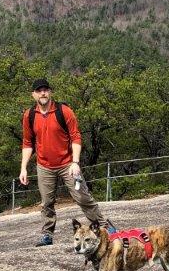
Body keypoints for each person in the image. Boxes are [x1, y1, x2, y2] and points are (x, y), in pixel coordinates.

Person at [19, 78, 105, 246]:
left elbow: (76, 136)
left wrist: (75, 162)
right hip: (44, 165)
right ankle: (47, 235)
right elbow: (28, 143)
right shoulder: (29, 115)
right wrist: (23, 168)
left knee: (83, 198)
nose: (43, 93)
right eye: (39, 90)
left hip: (67, 164)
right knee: (46, 203)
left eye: (45, 89)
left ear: (50, 92)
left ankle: (104, 228)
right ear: (33, 95)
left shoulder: (63, 111)